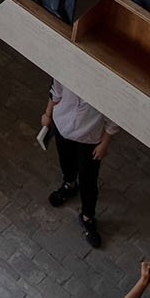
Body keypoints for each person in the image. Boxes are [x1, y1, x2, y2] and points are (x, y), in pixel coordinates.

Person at [41, 78, 118, 248]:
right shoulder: (69, 71)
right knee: (65, 161)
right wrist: (48, 114)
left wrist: (104, 144)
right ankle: (69, 185)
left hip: (89, 138)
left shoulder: (106, 87)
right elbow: (56, 91)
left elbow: (113, 117)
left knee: (88, 179)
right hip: (62, 126)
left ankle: (87, 216)